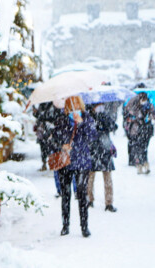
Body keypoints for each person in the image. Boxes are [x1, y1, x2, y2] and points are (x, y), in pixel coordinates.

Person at [50, 96, 98, 237]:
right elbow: (53, 139)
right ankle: (65, 225)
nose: (74, 109)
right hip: (65, 162)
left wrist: (81, 124)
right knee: (66, 195)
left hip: (82, 161)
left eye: (76, 105)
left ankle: (84, 226)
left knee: (82, 194)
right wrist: (62, 145)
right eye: (70, 106)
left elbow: (92, 137)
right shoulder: (61, 121)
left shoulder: (87, 119)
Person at [87, 103, 118, 212]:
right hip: (94, 150)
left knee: (107, 178)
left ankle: (108, 203)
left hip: (103, 150)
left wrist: (103, 120)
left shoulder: (103, 116)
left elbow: (114, 126)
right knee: (90, 177)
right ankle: (89, 200)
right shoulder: (88, 117)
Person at [124, 92, 155, 174]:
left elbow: (154, 116)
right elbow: (130, 115)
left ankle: (144, 164)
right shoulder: (134, 106)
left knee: (144, 148)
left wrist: (150, 115)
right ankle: (140, 165)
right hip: (138, 130)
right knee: (139, 148)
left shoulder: (149, 106)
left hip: (146, 130)